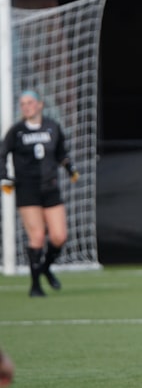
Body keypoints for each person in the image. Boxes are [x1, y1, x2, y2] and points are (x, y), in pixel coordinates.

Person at [0, 90, 80, 297]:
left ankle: (45, 268)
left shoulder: (52, 127)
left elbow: (61, 152)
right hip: (28, 189)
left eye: (30, 102)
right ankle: (35, 286)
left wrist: (70, 169)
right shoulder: (16, 131)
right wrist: (4, 176)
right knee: (36, 236)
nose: (26, 107)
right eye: (23, 103)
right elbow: (2, 154)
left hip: (50, 187)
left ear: (40, 104)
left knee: (59, 236)